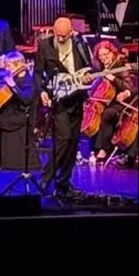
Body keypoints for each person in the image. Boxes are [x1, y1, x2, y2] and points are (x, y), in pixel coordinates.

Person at [36, 16, 94, 199]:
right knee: (63, 138)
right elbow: (38, 73)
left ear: (71, 33)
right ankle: (45, 179)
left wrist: (88, 78)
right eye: (57, 35)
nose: (60, 38)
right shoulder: (45, 46)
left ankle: (64, 184)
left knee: (72, 143)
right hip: (59, 100)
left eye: (64, 36)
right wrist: (41, 91)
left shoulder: (80, 44)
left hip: (76, 99)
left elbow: (88, 68)